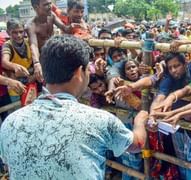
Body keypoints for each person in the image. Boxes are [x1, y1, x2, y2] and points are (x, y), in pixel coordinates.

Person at [0, 35, 148, 179]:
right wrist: (140, 120)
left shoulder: (10, 122)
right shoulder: (98, 119)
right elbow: (137, 144)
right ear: (80, 72)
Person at [26, 0, 72, 82]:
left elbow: (65, 28)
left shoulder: (52, 16)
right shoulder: (31, 25)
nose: (50, 6)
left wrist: (72, 23)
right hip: (41, 60)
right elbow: (34, 45)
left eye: (50, 3)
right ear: (36, 7)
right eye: (46, 4)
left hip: (53, 55)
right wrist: (36, 63)